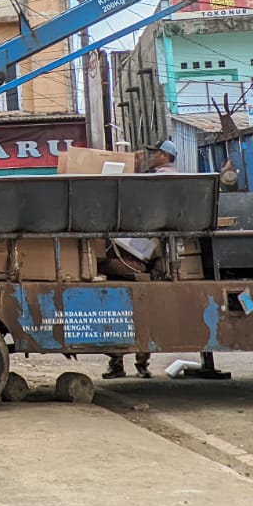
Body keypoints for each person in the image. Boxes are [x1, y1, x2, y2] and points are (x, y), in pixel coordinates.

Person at [104, 139, 179, 380]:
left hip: (147, 255)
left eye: (155, 153)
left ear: (166, 156)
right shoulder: (168, 178)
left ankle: (118, 363)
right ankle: (141, 363)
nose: (152, 156)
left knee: (121, 308)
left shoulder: (158, 180)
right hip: (151, 254)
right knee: (143, 316)